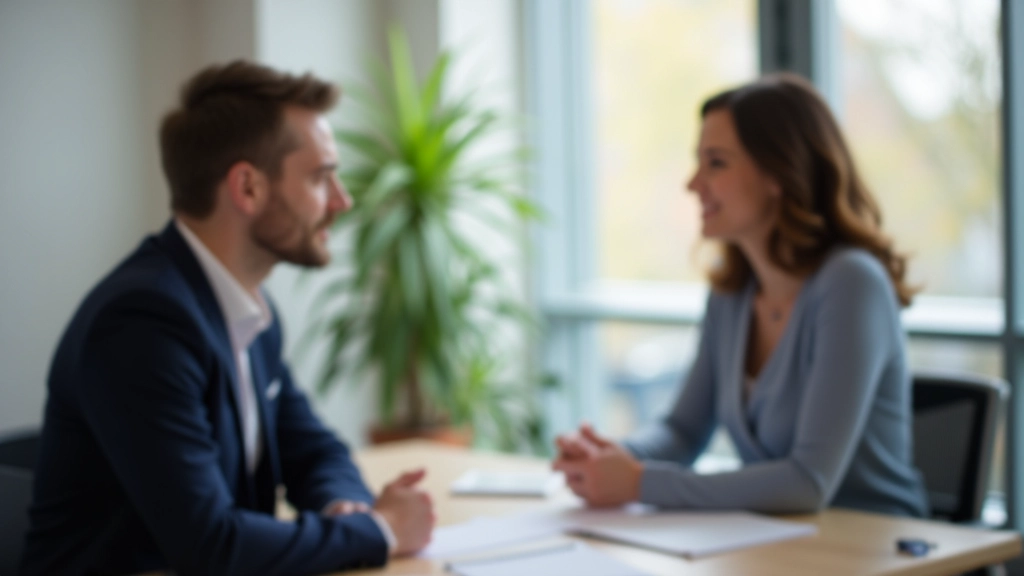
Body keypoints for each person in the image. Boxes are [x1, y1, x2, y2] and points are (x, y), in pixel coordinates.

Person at [20, 61, 435, 576]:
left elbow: (314, 449)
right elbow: (211, 547)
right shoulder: (142, 323)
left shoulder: (245, 311)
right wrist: (381, 530)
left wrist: (343, 505)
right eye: (321, 177)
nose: (341, 201)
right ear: (248, 188)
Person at [553, 73, 929, 518]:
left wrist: (639, 482)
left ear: (778, 173)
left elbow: (807, 483)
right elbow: (682, 431)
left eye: (716, 163)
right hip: (780, 547)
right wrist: (609, 457)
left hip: (879, 551)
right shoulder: (733, 294)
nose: (693, 184)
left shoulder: (851, 283)